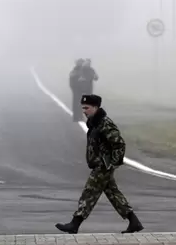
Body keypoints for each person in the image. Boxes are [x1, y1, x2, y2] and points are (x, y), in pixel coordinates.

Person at [55, 94, 144, 234]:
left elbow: (119, 144)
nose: (84, 111)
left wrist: (112, 164)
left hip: (102, 167)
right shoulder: (94, 123)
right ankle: (134, 221)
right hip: (100, 165)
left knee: (89, 193)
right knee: (113, 194)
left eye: (87, 108)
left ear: (95, 107)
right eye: (83, 108)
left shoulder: (105, 124)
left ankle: (75, 224)